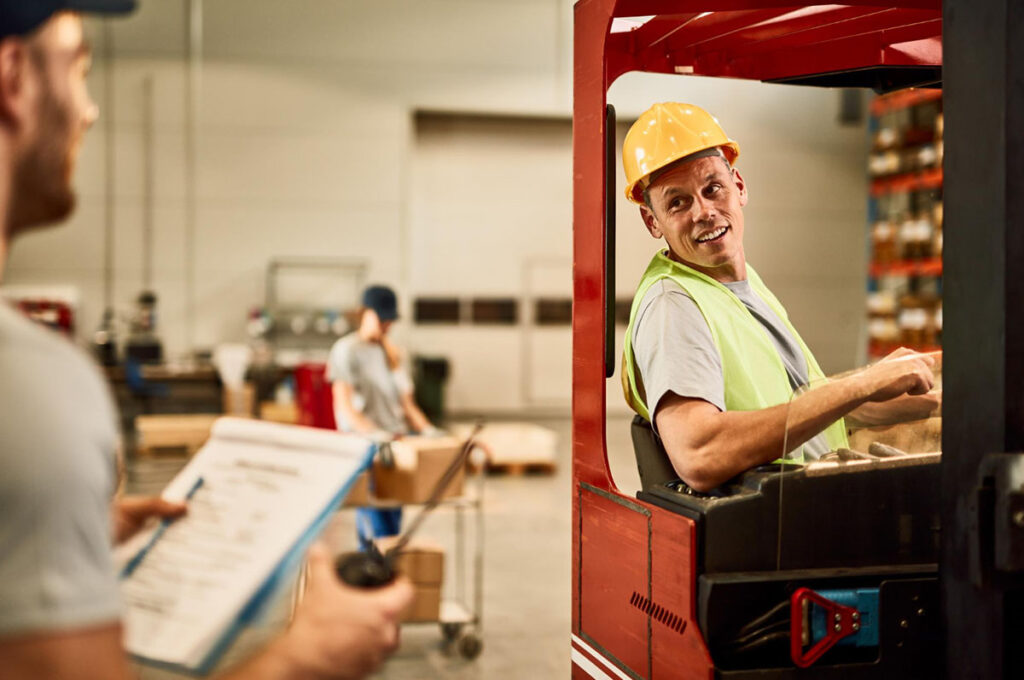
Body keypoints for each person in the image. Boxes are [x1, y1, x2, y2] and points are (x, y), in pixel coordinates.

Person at [0, 4, 412, 679]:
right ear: (14, 77)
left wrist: (78, 529)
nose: (89, 110)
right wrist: (304, 659)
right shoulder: (32, 388)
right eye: (78, 68)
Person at [621, 102, 940, 493]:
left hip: (805, 506)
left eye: (712, 188)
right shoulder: (673, 305)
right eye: (678, 202)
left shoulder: (740, 284)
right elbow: (698, 453)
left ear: (739, 187)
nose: (704, 211)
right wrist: (863, 383)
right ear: (653, 221)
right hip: (770, 531)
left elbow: (799, 405)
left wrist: (928, 398)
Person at [327, 285, 437, 547]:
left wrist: (428, 430)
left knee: (393, 526)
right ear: (364, 313)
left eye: (390, 320)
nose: (387, 325)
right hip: (367, 450)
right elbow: (344, 405)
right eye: (382, 318)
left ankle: (384, 579)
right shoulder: (347, 350)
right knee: (375, 527)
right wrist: (374, 435)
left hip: (395, 446)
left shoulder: (391, 353)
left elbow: (406, 403)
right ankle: (370, 579)